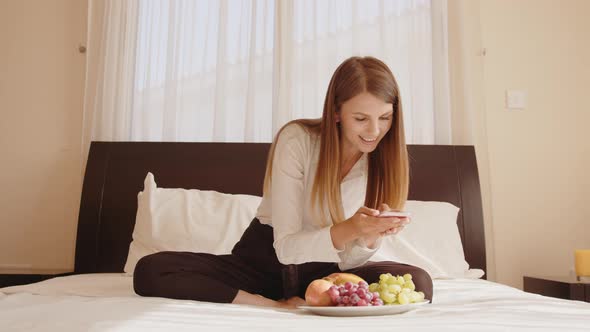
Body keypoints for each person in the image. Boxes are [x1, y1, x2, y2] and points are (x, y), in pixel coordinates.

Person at [133, 56, 433, 309]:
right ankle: (268, 303)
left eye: (385, 118)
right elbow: (287, 249)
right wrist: (352, 228)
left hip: (327, 272)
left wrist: (369, 235)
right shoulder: (297, 140)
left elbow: (350, 259)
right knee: (150, 270)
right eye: (361, 118)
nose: (375, 131)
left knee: (420, 282)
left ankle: (319, 298)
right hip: (264, 263)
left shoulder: (384, 159)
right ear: (336, 112)